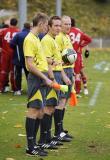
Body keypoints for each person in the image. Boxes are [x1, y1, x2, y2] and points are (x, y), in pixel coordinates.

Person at [23, 12, 52, 156]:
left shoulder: (36, 38)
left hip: (42, 77)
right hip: (36, 79)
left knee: (40, 111)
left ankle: (35, 144)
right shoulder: (30, 39)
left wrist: (49, 64)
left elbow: (38, 61)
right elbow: (30, 64)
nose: (47, 27)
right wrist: (44, 78)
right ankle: (30, 147)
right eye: (46, 24)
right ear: (40, 24)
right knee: (33, 111)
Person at [38, 16, 68, 149]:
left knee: (51, 108)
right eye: (55, 25)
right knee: (48, 108)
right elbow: (46, 61)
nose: (58, 28)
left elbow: (55, 60)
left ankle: (48, 138)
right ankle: (43, 140)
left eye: (59, 26)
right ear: (49, 26)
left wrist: (61, 74)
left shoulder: (53, 39)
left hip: (56, 75)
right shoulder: (46, 40)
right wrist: (53, 79)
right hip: (51, 76)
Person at [55, 15, 74, 140]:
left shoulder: (67, 37)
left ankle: (61, 129)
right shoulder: (59, 38)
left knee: (65, 101)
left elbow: (70, 56)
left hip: (69, 70)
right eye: (65, 24)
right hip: (63, 71)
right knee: (60, 101)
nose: (68, 26)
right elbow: (58, 58)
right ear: (60, 25)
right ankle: (58, 132)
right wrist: (64, 74)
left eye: (69, 24)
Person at [69, 18, 92, 96]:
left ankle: (82, 88)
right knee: (77, 73)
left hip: (71, 53)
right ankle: (76, 90)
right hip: (77, 54)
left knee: (78, 72)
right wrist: (83, 46)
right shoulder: (79, 31)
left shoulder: (67, 31)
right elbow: (88, 40)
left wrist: (84, 48)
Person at [10, 22, 30, 95]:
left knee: (18, 75)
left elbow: (11, 44)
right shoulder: (31, 35)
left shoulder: (18, 34)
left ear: (23, 27)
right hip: (29, 59)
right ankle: (30, 89)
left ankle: (18, 90)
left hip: (18, 58)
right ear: (30, 27)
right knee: (29, 75)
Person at [0, 18, 19, 93]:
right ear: (16, 23)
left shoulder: (4, 30)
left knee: (3, 71)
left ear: (10, 23)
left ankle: (1, 88)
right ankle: (14, 88)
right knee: (13, 72)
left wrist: (1, 46)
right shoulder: (18, 31)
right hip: (14, 54)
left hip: (5, 53)